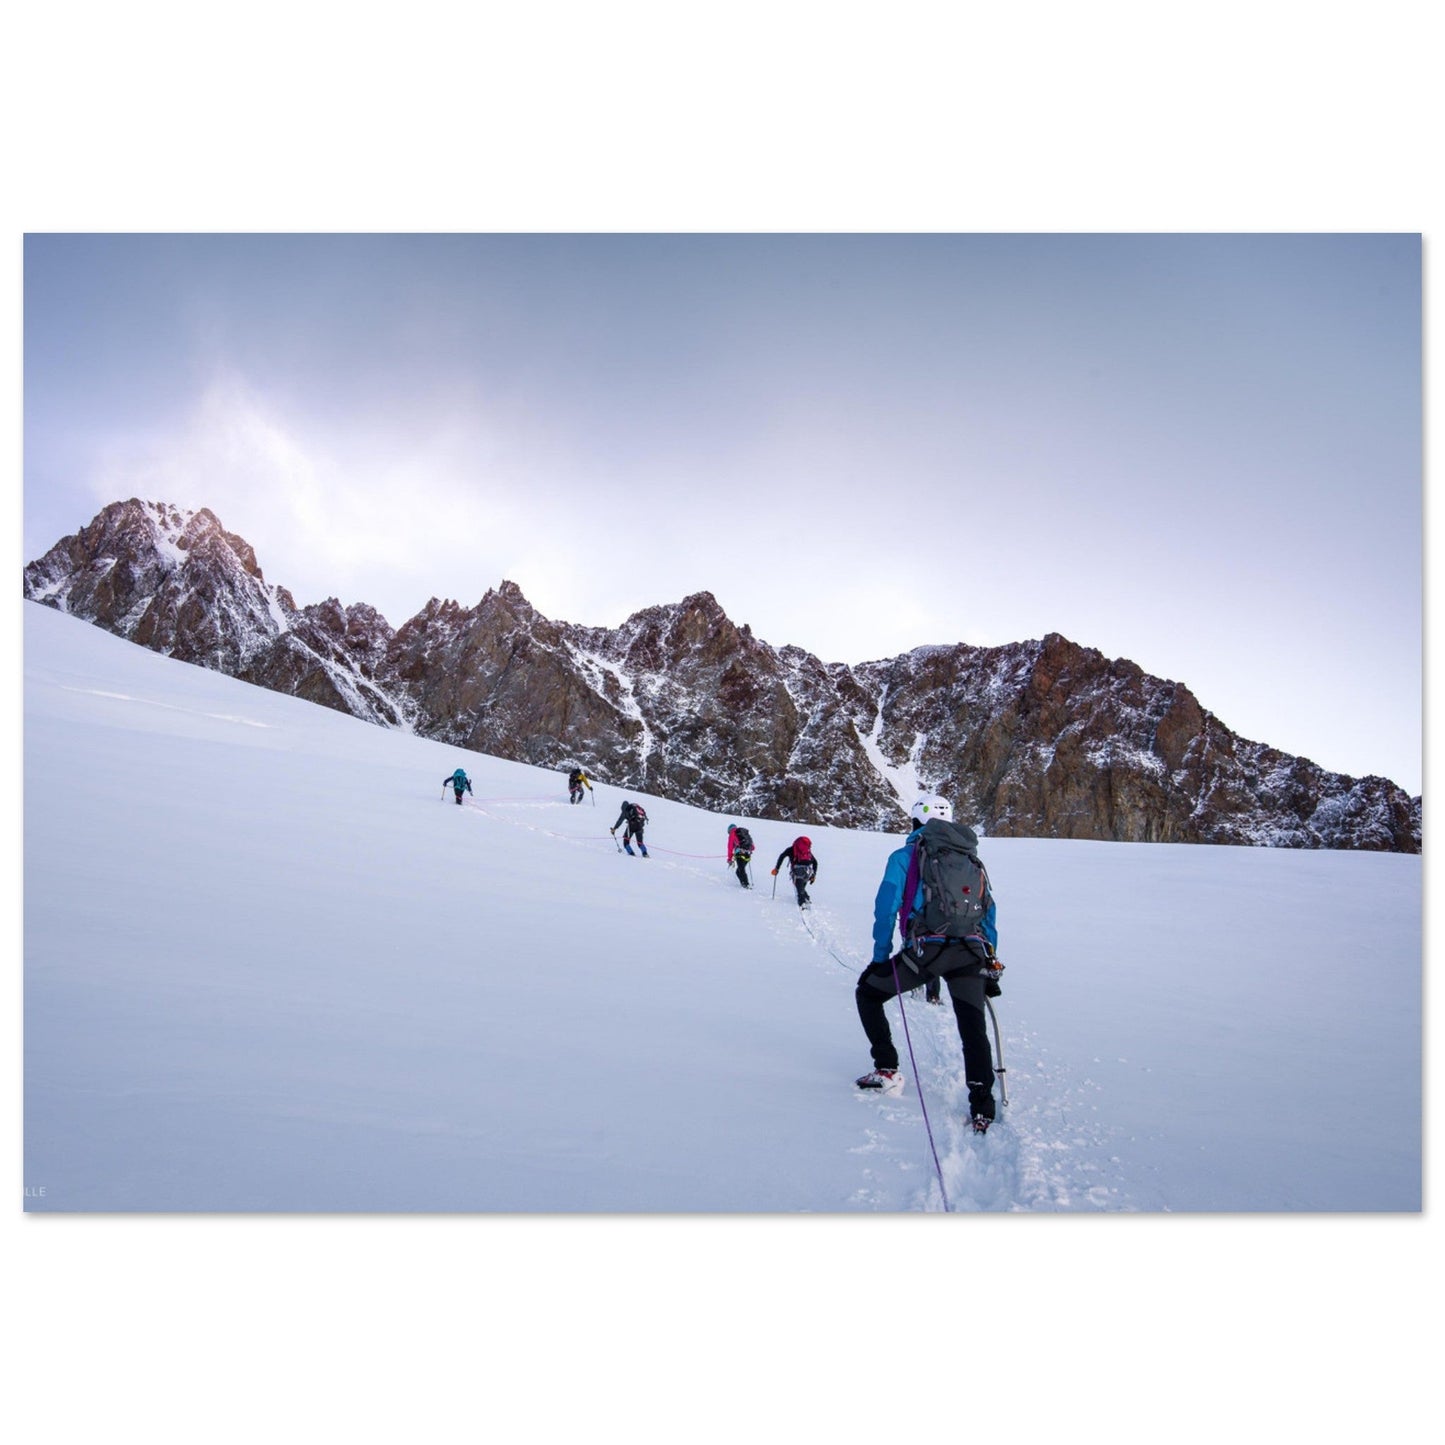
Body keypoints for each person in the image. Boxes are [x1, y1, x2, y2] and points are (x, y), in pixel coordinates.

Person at [854, 795, 1002, 1134]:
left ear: (915, 821)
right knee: (972, 1026)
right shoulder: (972, 859)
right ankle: (982, 1107)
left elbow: (885, 909)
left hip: (925, 952)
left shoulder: (904, 856)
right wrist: (989, 962)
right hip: (970, 952)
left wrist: (879, 959)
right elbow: (990, 913)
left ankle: (887, 1068)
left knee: (868, 993)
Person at [771, 836, 817, 908]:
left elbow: (782, 856)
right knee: (801, 887)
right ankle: (806, 899)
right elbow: (815, 862)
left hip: (797, 872)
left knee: (799, 888)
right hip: (808, 872)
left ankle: (802, 903)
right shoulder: (807, 851)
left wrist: (777, 868)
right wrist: (814, 875)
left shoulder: (791, 849)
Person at [726, 823, 755, 888]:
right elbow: (753, 847)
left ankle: (746, 885)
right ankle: (744, 884)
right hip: (747, 855)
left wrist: (729, 859)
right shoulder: (744, 833)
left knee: (741, 870)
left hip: (740, 854)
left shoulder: (732, 834)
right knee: (739, 871)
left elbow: (730, 847)